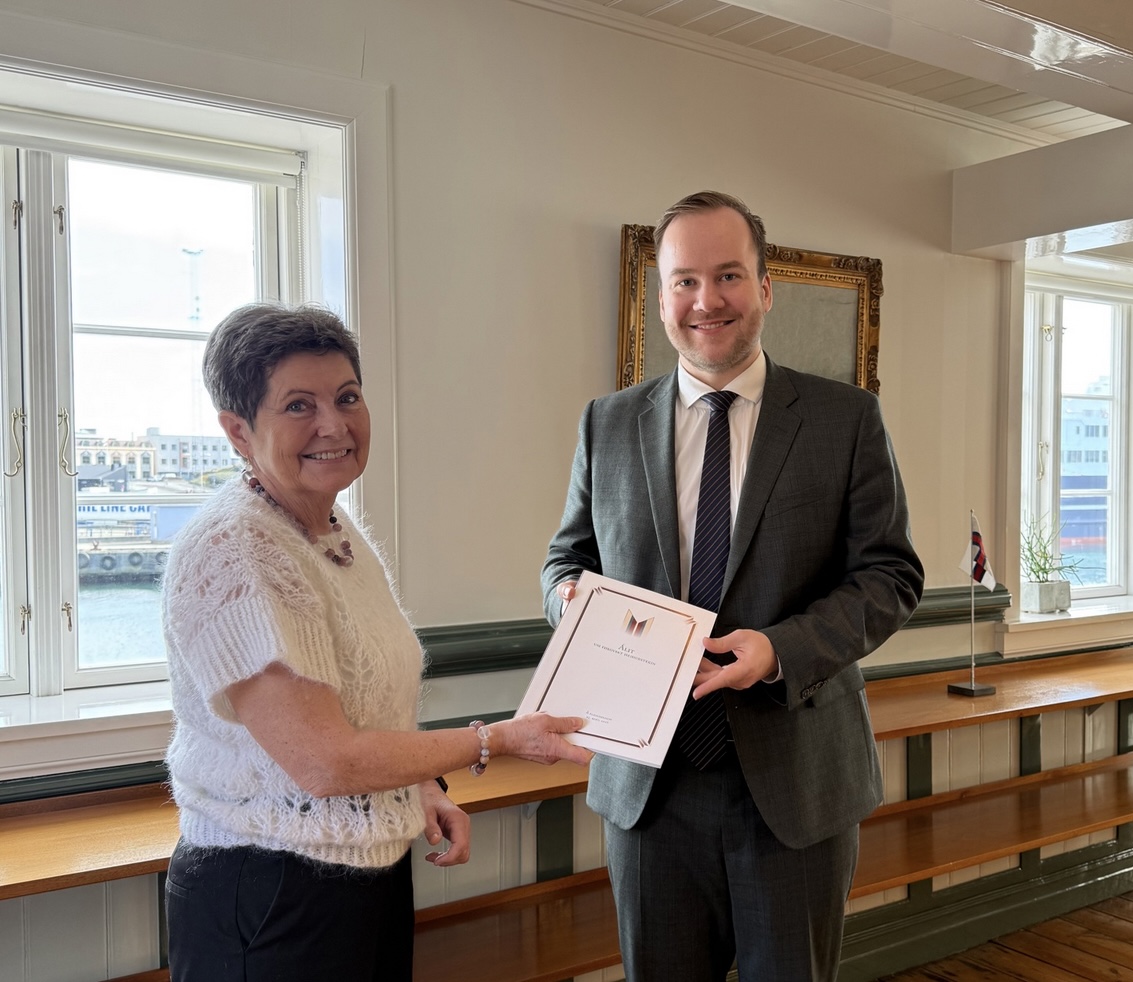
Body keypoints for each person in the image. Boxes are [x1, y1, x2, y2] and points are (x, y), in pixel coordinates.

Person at [542, 191, 924, 981]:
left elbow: (890, 576)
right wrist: (571, 604)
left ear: (765, 288)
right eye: (684, 281)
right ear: (661, 298)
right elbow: (565, 562)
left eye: (728, 276)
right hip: (649, 792)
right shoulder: (606, 424)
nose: (705, 300)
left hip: (794, 785)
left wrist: (780, 650)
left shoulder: (845, 420)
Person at [163, 302, 591, 982]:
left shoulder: (333, 529)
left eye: (347, 397)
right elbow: (324, 762)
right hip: (269, 891)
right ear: (238, 431)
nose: (334, 425)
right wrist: (497, 740)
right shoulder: (234, 548)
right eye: (298, 406)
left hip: (364, 879)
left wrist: (417, 788)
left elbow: (364, 705)